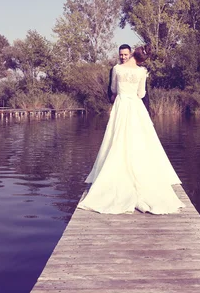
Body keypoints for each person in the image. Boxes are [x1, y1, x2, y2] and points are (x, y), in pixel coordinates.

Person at [78, 45, 185, 215]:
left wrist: (121, 93)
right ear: (143, 59)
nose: (122, 56)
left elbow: (113, 90)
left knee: (118, 138)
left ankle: (115, 173)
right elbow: (141, 94)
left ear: (132, 53)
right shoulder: (142, 72)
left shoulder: (117, 69)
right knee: (138, 140)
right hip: (136, 107)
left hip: (121, 106)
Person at [108, 44, 150, 114]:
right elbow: (111, 89)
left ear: (130, 54)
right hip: (119, 107)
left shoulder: (140, 71)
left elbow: (144, 95)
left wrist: (146, 112)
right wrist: (113, 99)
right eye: (121, 55)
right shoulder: (115, 69)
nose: (123, 57)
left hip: (136, 108)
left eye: (125, 55)